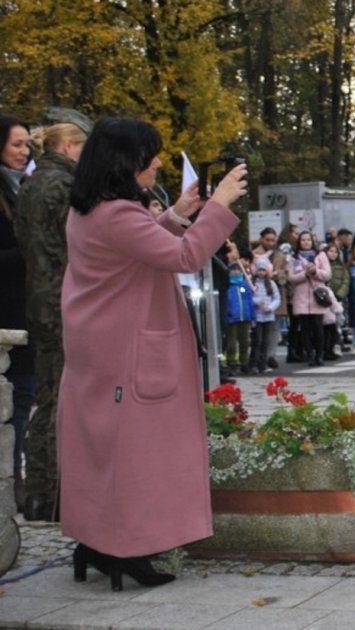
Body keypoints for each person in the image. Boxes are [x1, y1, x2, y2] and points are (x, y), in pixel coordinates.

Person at [60, 117, 247, 590]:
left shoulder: (92, 209)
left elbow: (144, 245)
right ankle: (127, 547)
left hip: (102, 350)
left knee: (99, 451)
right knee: (135, 456)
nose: (159, 161)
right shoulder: (116, 214)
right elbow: (182, 257)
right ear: (127, 161)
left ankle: (96, 541)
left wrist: (180, 213)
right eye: (152, 154)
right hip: (129, 353)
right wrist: (218, 208)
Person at [12, 115, 90, 521]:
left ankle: (41, 491)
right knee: (64, 398)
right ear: (67, 147)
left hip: (38, 299)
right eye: (83, 147)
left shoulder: (29, 183)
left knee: (47, 397)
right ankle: (57, 490)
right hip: (64, 298)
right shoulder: (63, 185)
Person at [0, 115, 34, 514]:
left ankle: (18, 477)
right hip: (7, 310)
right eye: (16, 144)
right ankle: (13, 482)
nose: (24, 152)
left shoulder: (21, 189)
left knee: (24, 398)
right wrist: (27, 252)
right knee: (17, 400)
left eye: (28, 144)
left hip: (25, 308)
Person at [288, 231, 332, 366]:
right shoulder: (294, 258)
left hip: (316, 296)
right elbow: (291, 277)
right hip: (301, 297)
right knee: (305, 328)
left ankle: (319, 354)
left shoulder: (321, 256)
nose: (306, 242)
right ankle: (310, 354)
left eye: (308, 240)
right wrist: (305, 274)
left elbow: (327, 275)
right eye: (303, 240)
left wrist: (315, 272)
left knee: (318, 327)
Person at [253, 227, 288, 368]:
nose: (270, 242)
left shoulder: (280, 255)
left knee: (274, 327)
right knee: (260, 330)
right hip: (260, 292)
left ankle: (271, 355)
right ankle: (260, 356)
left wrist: (278, 275)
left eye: (273, 240)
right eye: (267, 240)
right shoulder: (255, 254)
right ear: (261, 239)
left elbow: (286, 275)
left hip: (276, 290)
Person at [222, 256, 255, 374]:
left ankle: (244, 362)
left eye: (238, 270)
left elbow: (250, 302)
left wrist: (252, 317)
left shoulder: (245, 285)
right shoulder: (227, 286)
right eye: (233, 270)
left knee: (245, 342)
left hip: (244, 317)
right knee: (231, 342)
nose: (235, 272)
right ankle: (231, 362)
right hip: (232, 318)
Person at [249, 256, 281, 374]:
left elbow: (277, 298)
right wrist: (257, 302)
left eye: (263, 270)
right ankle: (254, 363)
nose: (261, 272)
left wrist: (271, 307)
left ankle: (263, 364)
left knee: (265, 341)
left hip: (268, 316)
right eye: (259, 269)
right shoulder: (252, 283)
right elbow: (249, 298)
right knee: (257, 340)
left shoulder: (271, 284)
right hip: (256, 317)